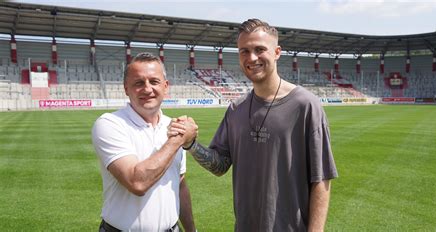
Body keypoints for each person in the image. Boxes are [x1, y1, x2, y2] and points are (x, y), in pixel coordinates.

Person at [170, 19, 338, 231]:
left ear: (277, 52)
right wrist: (191, 144)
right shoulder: (236, 109)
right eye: (244, 51)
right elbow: (220, 165)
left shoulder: (305, 106)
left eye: (260, 49)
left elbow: (321, 179)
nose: (252, 58)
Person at [92, 52, 197, 231]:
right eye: (138, 83)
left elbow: (179, 184)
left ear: (165, 86)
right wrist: (178, 140)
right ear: (126, 88)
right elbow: (137, 183)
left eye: (154, 81)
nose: (147, 89)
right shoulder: (110, 124)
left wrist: (191, 230)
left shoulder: (173, 125)